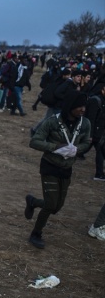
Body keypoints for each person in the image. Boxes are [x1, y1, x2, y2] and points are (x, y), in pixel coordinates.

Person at [24, 91, 91, 249]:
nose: (83, 109)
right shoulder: (53, 122)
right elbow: (34, 141)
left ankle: (33, 202)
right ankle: (36, 233)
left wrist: (76, 149)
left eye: (84, 106)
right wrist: (55, 147)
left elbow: (87, 142)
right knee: (50, 205)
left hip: (67, 168)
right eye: (79, 106)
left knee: (56, 207)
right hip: (50, 166)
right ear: (70, 106)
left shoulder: (85, 123)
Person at [86, 83, 105, 181]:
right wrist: (90, 134)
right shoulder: (96, 101)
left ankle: (99, 174)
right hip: (94, 133)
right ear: (102, 90)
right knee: (81, 150)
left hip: (99, 132)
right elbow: (91, 119)